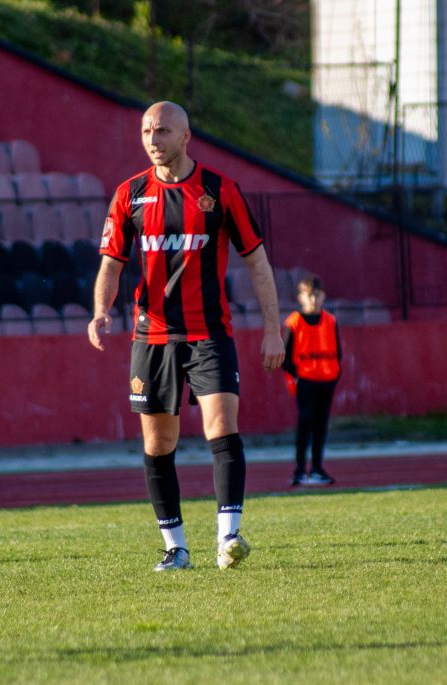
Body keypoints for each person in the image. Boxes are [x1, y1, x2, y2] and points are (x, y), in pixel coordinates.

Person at [88, 101, 285, 572]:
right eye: (146, 131)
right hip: (152, 337)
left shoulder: (220, 190)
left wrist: (273, 330)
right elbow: (110, 264)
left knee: (222, 427)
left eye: (162, 131)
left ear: (185, 136)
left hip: (209, 333)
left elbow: (257, 262)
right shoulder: (130, 194)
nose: (153, 140)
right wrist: (100, 311)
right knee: (159, 444)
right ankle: (175, 548)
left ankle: (228, 537)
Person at [282, 275, 341, 486]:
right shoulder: (294, 322)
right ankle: (299, 470)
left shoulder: (330, 321)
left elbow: (338, 352)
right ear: (301, 297)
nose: (314, 300)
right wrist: (297, 375)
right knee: (305, 421)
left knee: (321, 425)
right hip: (305, 380)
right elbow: (285, 357)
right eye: (309, 295)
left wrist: (335, 373)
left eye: (317, 295)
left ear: (323, 296)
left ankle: (317, 467)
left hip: (327, 380)